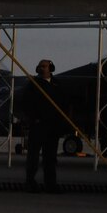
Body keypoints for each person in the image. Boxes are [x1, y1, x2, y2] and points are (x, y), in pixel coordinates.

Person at [23, 59, 67, 193]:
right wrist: (33, 119)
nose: (42, 69)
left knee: (50, 158)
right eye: (40, 67)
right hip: (38, 125)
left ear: (50, 68)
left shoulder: (57, 85)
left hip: (52, 126)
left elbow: (63, 103)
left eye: (45, 66)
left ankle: (51, 184)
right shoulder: (33, 84)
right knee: (33, 157)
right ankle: (30, 182)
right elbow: (28, 103)